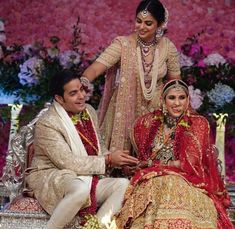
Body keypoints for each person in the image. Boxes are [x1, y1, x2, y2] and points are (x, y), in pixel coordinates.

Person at [25, 69, 139, 229]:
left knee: (123, 184)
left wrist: (117, 160)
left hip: (84, 177)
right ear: (59, 98)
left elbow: (97, 149)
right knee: (81, 189)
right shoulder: (48, 122)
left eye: (81, 89)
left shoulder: (89, 111)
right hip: (52, 175)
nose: (81, 96)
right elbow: (68, 162)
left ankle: (94, 227)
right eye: (73, 93)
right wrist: (107, 160)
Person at [115, 79, 233, 228]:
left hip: (186, 179)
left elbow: (188, 163)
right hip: (152, 179)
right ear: (163, 100)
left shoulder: (197, 124)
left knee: (175, 188)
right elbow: (141, 159)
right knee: (154, 194)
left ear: (188, 99)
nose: (177, 103)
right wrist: (135, 166)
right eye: (172, 98)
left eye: (181, 97)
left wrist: (153, 165)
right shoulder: (147, 123)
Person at [81, 0, 181, 152]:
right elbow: (95, 69)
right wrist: (82, 83)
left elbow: (175, 83)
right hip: (125, 109)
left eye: (148, 23)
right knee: (122, 165)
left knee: (153, 163)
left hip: (157, 111)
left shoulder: (167, 47)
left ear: (159, 25)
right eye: (138, 21)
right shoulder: (123, 45)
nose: (141, 27)